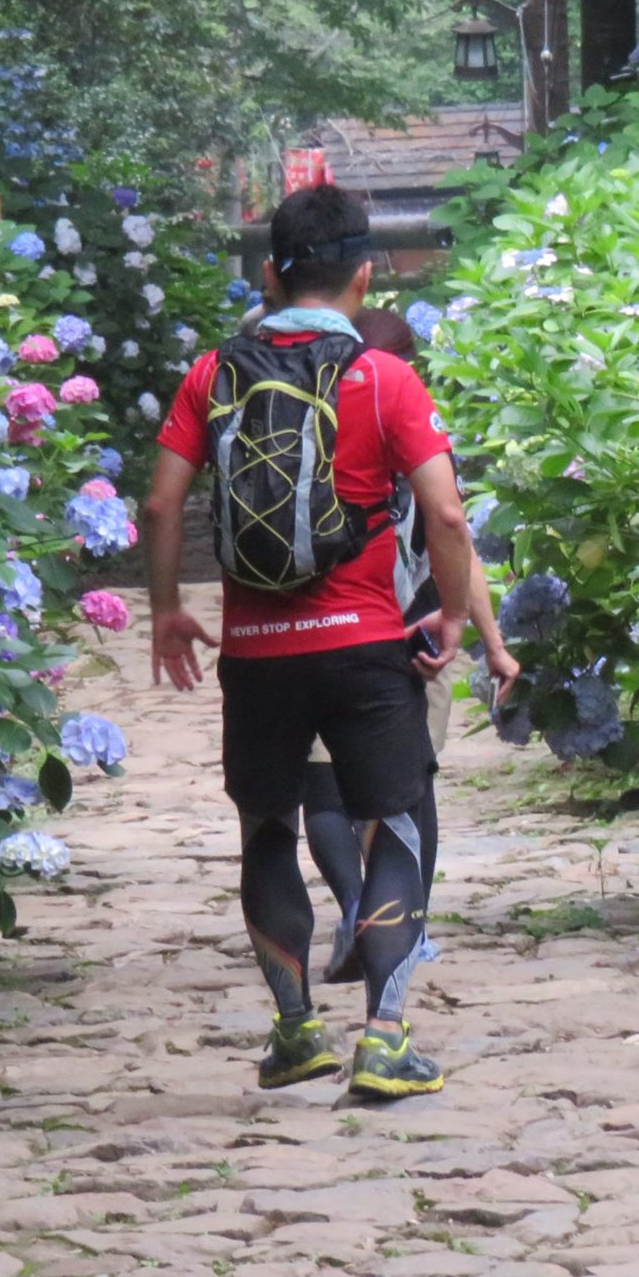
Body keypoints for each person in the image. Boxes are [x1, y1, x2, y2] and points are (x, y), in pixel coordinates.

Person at [138, 184, 482, 1100]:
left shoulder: (213, 375)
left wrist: (169, 606)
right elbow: (445, 511)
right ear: (364, 278)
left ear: (268, 274)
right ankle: (385, 1036)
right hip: (368, 641)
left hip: (258, 651)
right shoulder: (387, 376)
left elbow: (161, 501)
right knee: (401, 821)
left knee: (266, 828)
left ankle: (295, 1033)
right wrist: (450, 613)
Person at [302, 304, 517, 984]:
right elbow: (454, 533)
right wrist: (487, 639)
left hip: (312, 629)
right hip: (409, 634)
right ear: (410, 365)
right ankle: (405, 928)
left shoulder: (300, 424)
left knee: (325, 787)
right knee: (408, 786)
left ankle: (355, 906)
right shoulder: (413, 424)